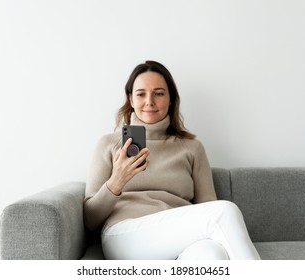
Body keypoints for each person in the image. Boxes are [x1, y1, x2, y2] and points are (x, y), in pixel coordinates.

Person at [83, 60, 260, 260]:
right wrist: (116, 182)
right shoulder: (109, 144)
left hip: (179, 237)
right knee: (225, 212)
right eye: (141, 94)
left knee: (213, 254)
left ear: (171, 99)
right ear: (131, 99)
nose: (149, 101)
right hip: (125, 235)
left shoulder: (192, 147)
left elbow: (207, 206)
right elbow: (90, 220)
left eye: (158, 93)